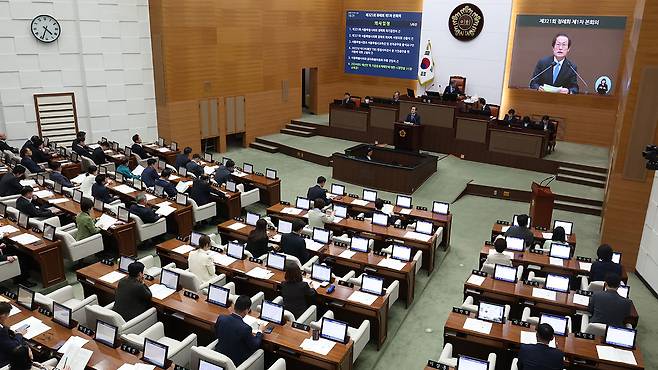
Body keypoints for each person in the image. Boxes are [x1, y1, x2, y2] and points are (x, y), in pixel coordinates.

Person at [214, 295, 265, 367]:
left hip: (218, 356)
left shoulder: (221, 318)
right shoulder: (245, 328)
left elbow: (216, 334)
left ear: (234, 306)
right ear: (247, 311)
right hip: (236, 363)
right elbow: (255, 345)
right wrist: (260, 331)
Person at [0, 302, 27, 367]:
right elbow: (13, 347)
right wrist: (19, 334)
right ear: (3, 316)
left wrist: (5, 327)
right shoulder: (1, 332)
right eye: (7, 315)